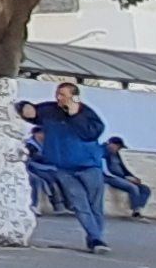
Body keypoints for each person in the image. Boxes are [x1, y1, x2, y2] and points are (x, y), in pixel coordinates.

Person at [28, 82, 112, 253]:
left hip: (89, 166)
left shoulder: (87, 114)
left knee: (94, 205)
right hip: (63, 168)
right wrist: (24, 108)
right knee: (79, 204)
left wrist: (74, 115)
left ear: (74, 97)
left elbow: (91, 133)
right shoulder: (50, 110)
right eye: (58, 94)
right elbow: (33, 113)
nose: (59, 98)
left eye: (64, 95)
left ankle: (96, 236)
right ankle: (96, 240)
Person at [102, 137, 152, 218]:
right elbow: (104, 168)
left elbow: (124, 168)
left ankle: (138, 205)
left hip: (122, 177)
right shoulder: (104, 152)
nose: (118, 149)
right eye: (118, 147)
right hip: (110, 177)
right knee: (132, 187)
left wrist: (132, 177)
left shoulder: (116, 155)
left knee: (145, 189)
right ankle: (136, 210)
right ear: (113, 145)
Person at [27, 125, 68, 214]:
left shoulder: (49, 143)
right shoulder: (30, 144)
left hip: (50, 167)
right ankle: (57, 205)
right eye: (42, 133)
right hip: (35, 167)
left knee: (64, 179)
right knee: (50, 181)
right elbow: (37, 157)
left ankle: (67, 205)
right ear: (36, 134)